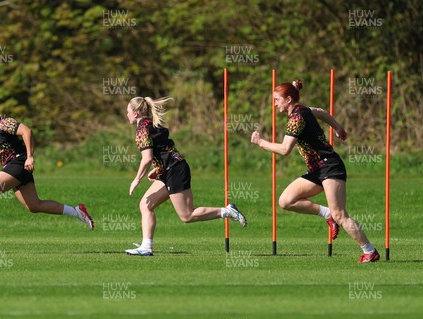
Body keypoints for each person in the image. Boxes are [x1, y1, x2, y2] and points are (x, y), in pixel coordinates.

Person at [250, 80, 379, 262]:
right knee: (286, 201)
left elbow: (285, 149)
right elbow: (320, 112)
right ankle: (327, 215)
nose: (275, 103)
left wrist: (261, 143)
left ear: (288, 99)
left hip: (330, 166)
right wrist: (337, 127)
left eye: (277, 99)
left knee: (340, 214)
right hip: (317, 169)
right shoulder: (303, 110)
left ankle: (369, 251)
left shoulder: (297, 119)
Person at [0, 94, 94, 248]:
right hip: (10, 167)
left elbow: (26, 132)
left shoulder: (2, 122)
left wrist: (30, 156)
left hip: (20, 162)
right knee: (34, 205)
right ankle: (77, 212)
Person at [125, 96, 247, 256]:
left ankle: (227, 211)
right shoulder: (153, 124)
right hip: (169, 169)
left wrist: (136, 180)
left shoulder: (142, 129)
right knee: (145, 205)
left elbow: (147, 158)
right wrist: (158, 168)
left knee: (187, 215)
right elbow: (164, 149)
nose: (126, 115)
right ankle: (146, 247)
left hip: (174, 170)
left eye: (127, 111)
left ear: (135, 113)